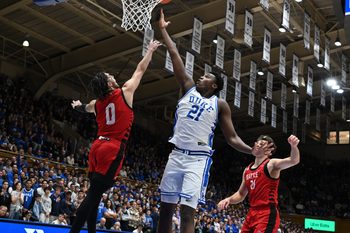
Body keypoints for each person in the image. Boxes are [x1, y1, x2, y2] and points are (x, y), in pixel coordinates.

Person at [157, 9, 273, 233]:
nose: (200, 76)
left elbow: (231, 138)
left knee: (187, 212)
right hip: (176, 154)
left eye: (206, 77)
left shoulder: (220, 105)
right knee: (165, 209)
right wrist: (163, 31)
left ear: (214, 86)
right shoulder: (188, 88)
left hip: (197, 160)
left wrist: (252, 151)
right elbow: (174, 55)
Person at [69, 39, 161, 233]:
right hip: (112, 148)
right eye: (109, 75)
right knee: (93, 196)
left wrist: (77, 106)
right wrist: (151, 50)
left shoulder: (97, 103)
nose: (112, 75)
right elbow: (140, 69)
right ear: (109, 83)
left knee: (95, 194)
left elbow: (84, 108)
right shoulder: (125, 91)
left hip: (96, 147)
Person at [218, 135, 300, 233]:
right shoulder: (247, 170)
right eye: (258, 142)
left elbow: (294, 160)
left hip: (267, 212)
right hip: (252, 213)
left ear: (269, 151)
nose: (258, 144)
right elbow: (240, 194)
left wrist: (294, 146)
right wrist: (228, 199)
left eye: (262, 144)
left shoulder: (271, 164)